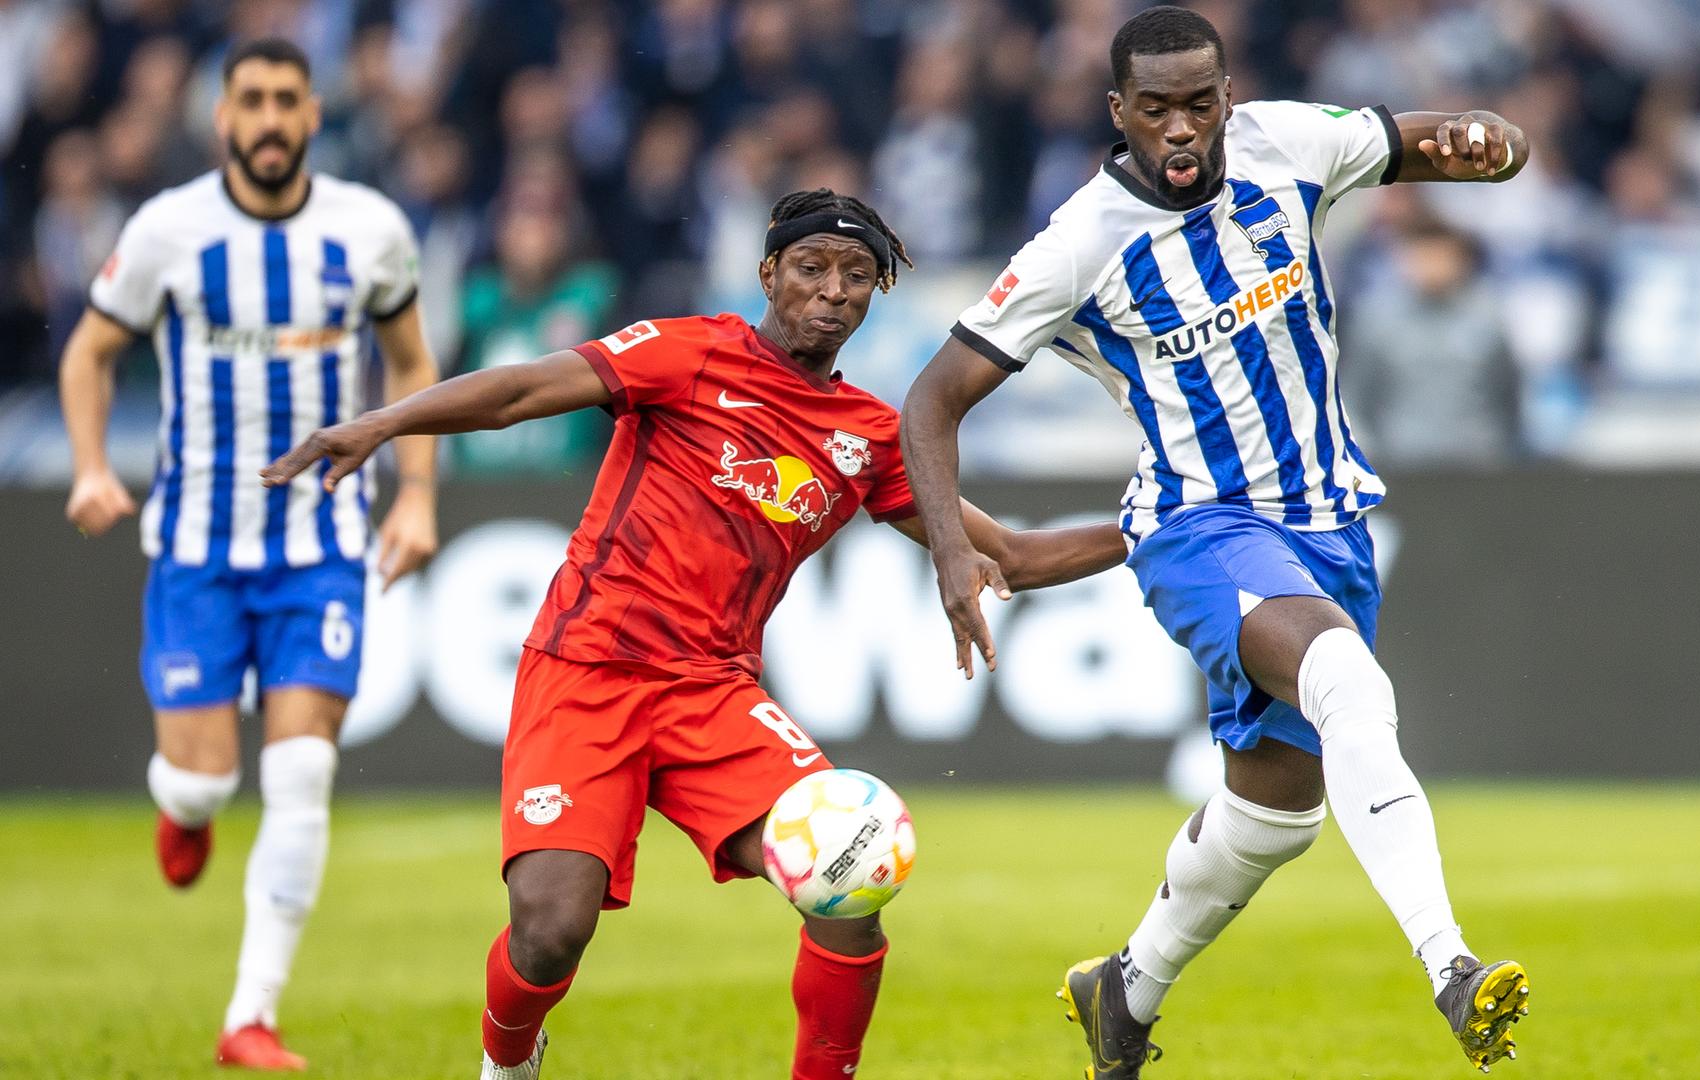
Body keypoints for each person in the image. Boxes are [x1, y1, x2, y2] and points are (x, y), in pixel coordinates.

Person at [262, 188, 1128, 1080]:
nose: (833, 291)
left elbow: (1012, 557)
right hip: (586, 668)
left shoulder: (868, 437)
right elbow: (519, 391)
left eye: (857, 276)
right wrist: (381, 421)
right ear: (767, 274)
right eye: (812, 268)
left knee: (847, 872)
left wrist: (1157, 529)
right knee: (552, 931)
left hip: (712, 692)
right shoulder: (688, 353)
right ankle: (508, 1059)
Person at [901, 8, 1533, 1076]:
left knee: (1275, 811)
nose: (1182, 130)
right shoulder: (1080, 244)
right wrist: (953, 551)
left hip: (1328, 521)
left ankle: (1124, 991)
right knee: (1349, 687)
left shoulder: (1290, 145)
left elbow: (1443, 140)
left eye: (1200, 103)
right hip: (1199, 526)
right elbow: (930, 400)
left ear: (1228, 95)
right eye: (1156, 111)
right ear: (1119, 114)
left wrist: (1492, 143)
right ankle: (1452, 966)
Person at [57, 38, 439, 1071]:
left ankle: (250, 1017)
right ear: (221, 118)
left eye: (286, 101)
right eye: (251, 102)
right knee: (201, 785)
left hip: (322, 543)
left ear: (313, 115)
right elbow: (91, 351)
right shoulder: (166, 231)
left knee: (305, 767)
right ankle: (181, 811)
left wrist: (415, 499)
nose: (269, 120)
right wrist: (91, 464)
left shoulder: (370, 231)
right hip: (197, 547)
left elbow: (410, 366)